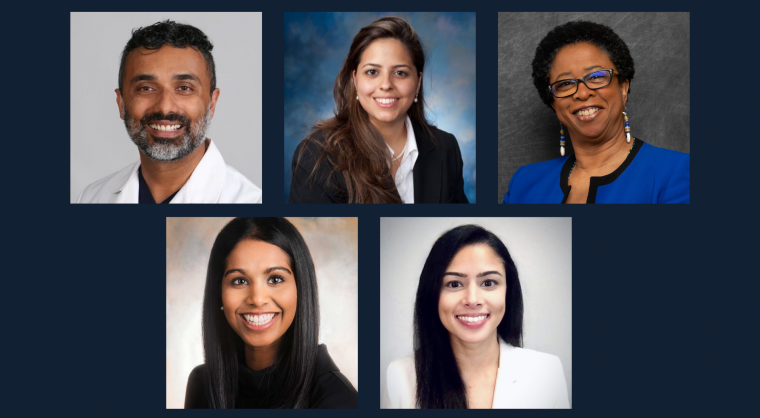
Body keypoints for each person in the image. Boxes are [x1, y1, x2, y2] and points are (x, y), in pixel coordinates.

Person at [503, 20, 689, 204]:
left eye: (596, 76)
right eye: (565, 84)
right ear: (553, 103)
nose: (582, 93)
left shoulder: (677, 172)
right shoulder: (523, 183)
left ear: (623, 89)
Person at [77, 20, 262, 203]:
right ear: (121, 103)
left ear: (212, 103)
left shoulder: (252, 202)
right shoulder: (91, 198)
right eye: (146, 88)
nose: (165, 107)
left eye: (184, 88)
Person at [387, 225, 569, 408]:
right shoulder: (401, 376)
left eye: (489, 283)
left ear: (508, 291)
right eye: (454, 284)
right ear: (432, 293)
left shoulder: (547, 372)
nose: (472, 300)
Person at [290, 16, 468, 204]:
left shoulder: (446, 147)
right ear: (355, 79)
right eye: (372, 72)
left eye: (400, 73)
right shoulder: (318, 155)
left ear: (418, 83)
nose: (386, 85)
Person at [184, 218, 357, 408]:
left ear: (301, 288)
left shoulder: (339, 398)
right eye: (239, 281)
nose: (257, 299)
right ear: (218, 292)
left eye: (275, 279)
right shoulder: (202, 384)